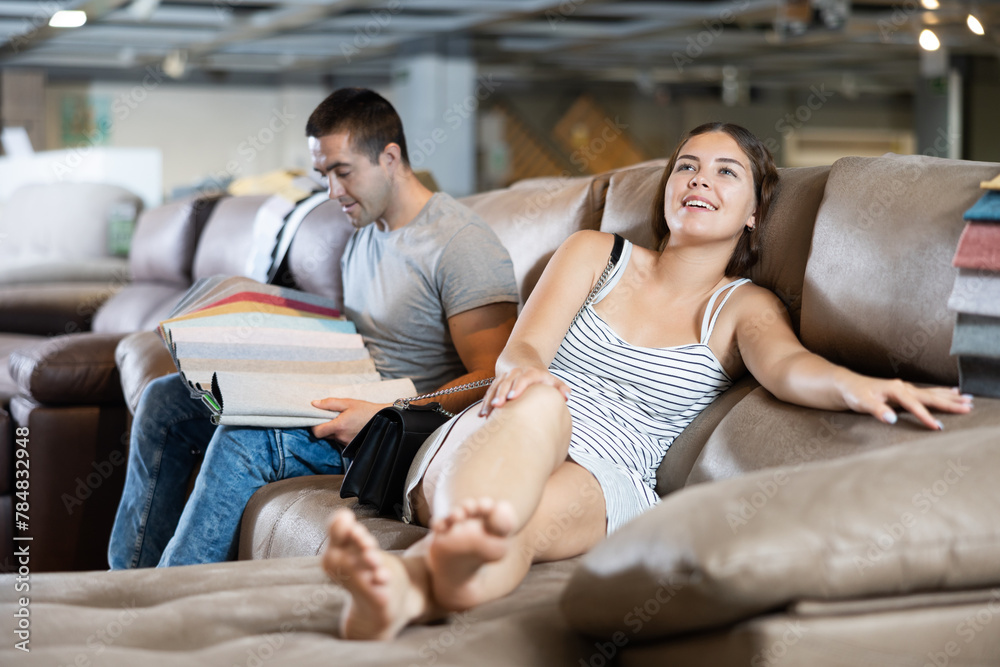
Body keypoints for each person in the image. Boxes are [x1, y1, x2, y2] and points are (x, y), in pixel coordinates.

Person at [319, 122, 975, 640]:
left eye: (726, 172)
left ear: (754, 210)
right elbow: (523, 354)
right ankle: (436, 564)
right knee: (541, 402)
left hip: (609, 478)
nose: (700, 178)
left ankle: (411, 585)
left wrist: (862, 386)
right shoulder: (593, 253)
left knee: (515, 529)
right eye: (686, 165)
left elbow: (790, 368)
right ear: (666, 188)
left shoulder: (744, 307)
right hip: (506, 424)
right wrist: (528, 384)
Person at [108, 88, 520, 568]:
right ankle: (127, 581)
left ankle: (168, 600)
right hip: (352, 393)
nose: (332, 192)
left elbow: (493, 373)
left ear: (390, 157)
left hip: (397, 428)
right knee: (164, 400)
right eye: (323, 175)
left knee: (244, 438)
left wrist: (384, 411)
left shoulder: (459, 243)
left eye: (342, 172)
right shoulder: (365, 233)